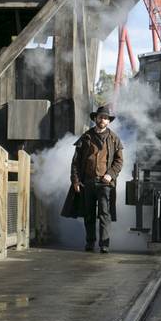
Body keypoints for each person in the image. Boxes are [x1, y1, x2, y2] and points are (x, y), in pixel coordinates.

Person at [61, 105, 124, 253]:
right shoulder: (86, 137)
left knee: (104, 214)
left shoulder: (114, 139)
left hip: (105, 183)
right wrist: (75, 180)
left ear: (109, 121)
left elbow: (119, 161)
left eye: (106, 118)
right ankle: (90, 242)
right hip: (87, 182)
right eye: (101, 117)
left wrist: (110, 174)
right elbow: (75, 162)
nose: (103, 119)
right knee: (88, 214)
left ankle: (104, 244)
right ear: (95, 118)